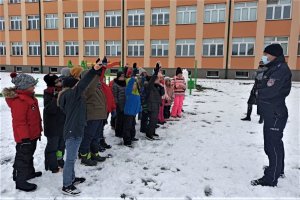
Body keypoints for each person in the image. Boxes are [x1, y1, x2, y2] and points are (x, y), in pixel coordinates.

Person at [58, 62, 103, 196]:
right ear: (73, 87)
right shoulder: (72, 95)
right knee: (70, 159)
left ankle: (72, 178)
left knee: (72, 158)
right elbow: (84, 83)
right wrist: (93, 71)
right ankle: (67, 185)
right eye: (77, 85)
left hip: (75, 128)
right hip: (73, 131)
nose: (79, 86)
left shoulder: (70, 96)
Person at [251, 44, 292, 187]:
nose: (265, 57)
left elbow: (269, 90)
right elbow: (262, 83)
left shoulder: (280, 70)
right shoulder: (274, 67)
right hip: (272, 112)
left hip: (275, 112)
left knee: (271, 145)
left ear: (273, 55)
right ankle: (277, 169)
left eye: (266, 54)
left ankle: (270, 178)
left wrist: (258, 92)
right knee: (275, 144)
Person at [2, 72, 42, 192]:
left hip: (32, 134)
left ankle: (29, 173)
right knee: (23, 158)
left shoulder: (28, 97)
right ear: (24, 86)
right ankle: (20, 181)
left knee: (28, 155)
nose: (34, 87)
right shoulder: (20, 101)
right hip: (25, 137)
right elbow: (19, 122)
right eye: (32, 85)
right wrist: (24, 138)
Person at [43, 74, 65, 173]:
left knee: (61, 146)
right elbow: (49, 109)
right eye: (58, 81)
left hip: (62, 124)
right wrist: (56, 97)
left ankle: (59, 160)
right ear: (53, 83)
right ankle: (51, 165)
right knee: (52, 147)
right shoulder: (48, 93)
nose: (61, 82)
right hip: (52, 126)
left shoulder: (62, 91)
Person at [122, 69, 141, 147]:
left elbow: (138, 102)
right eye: (133, 85)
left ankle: (132, 137)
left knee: (132, 126)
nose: (134, 86)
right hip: (128, 112)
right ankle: (127, 141)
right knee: (127, 127)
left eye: (135, 85)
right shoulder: (128, 92)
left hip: (133, 113)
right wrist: (133, 78)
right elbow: (130, 85)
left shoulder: (137, 93)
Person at [146, 63, 165, 140]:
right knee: (152, 120)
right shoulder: (149, 86)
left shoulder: (157, 87)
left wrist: (161, 87)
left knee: (155, 120)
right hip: (151, 105)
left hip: (156, 105)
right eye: (157, 79)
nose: (159, 80)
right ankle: (149, 134)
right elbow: (152, 79)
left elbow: (162, 94)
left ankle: (153, 132)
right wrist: (156, 71)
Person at [112, 71, 127, 138]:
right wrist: (117, 104)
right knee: (119, 119)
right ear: (118, 77)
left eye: (123, 76)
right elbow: (114, 96)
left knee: (124, 119)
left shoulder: (125, 83)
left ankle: (122, 131)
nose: (122, 77)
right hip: (119, 104)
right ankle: (118, 132)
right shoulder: (115, 84)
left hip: (125, 103)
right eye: (121, 76)